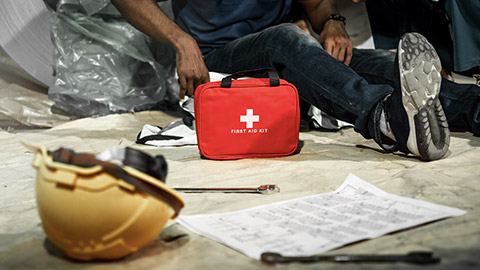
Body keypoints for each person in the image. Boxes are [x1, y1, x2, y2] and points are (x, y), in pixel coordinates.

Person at [111, 0, 480, 161]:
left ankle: (473, 109)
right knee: (284, 36)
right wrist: (181, 40)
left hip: (288, 56)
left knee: (383, 63)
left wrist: (333, 22)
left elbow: (317, 5)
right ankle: (386, 120)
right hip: (218, 62)